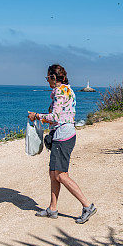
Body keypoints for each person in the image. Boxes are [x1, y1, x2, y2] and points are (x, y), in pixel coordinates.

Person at [28, 64, 97, 224]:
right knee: (53, 173)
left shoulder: (59, 92)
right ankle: (52, 209)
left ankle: (87, 206)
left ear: (53, 77)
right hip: (63, 134)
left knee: (60, 175)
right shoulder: (68, 89)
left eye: (47, 78)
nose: (47, 81)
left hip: (63, 136)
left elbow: (56, 117)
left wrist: (37, 116)